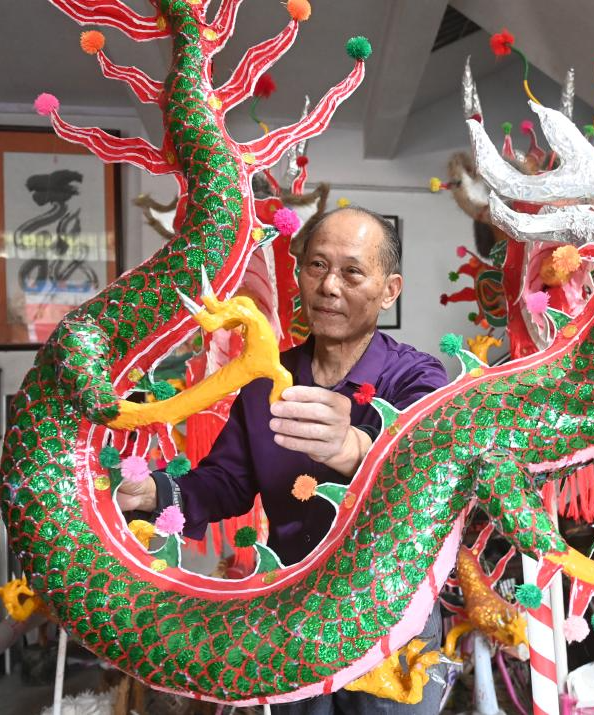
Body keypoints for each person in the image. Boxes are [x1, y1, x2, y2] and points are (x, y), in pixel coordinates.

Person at [119, 206, 449, 714]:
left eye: (352, 271)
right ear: (298, 276)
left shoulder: (418, 379)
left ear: (390, 289)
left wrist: (358, 448)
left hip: (393, 620)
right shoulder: (266, 383)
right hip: (294, 615)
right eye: (316, 266)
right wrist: (157, 493)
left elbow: (433, 470)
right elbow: (226, 482)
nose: (329, 286)